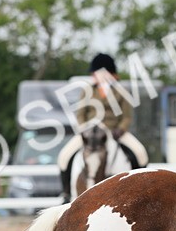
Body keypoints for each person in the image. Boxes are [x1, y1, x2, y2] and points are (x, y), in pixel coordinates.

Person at [58, 53, 150, 200]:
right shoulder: (87, 90)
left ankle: (141, 192)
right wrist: (84, 129)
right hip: (90, 132)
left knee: (140, 153)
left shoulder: (121, 92)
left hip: (114, 131)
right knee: (64, 156)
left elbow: (127, 117)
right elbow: (81, 114)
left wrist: (120, 129)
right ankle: (66, 193)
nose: (93, 76)